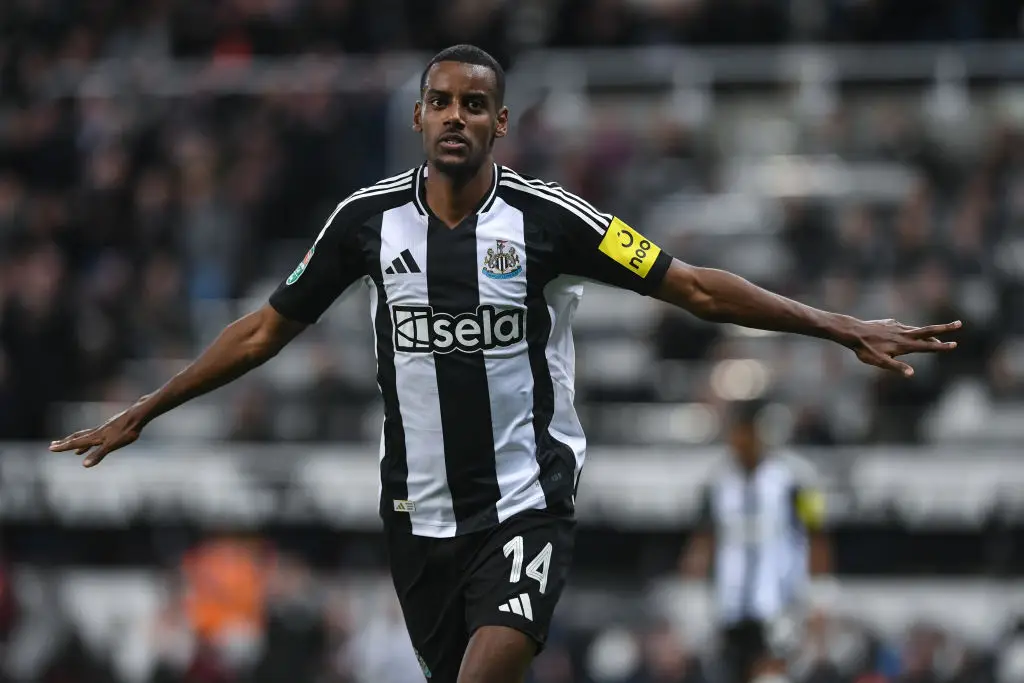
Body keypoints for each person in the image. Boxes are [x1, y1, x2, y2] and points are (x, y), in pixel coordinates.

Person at [50, 44, 961, 683]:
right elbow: (262, 332)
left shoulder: (550, 220)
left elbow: (694, 287)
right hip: (418, 517)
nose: (457, 116)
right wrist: (147, 408)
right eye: (442, 101)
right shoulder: (365, 222)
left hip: (526, 502)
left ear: (501, 122)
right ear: (418, 116)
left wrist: (837, 324)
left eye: (474, 104)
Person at [680, 400, 832, 683]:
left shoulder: (799, 478)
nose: (739, 441)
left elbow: (818, 535)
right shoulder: (716, 481)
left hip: (780, 604)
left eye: (744, 432)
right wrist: (693, 596)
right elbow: (703, 540)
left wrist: (820, 594)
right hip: (730, 606)